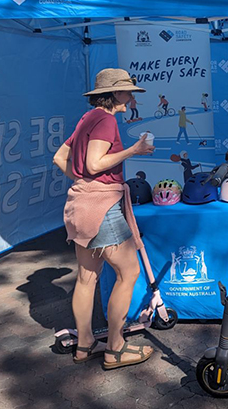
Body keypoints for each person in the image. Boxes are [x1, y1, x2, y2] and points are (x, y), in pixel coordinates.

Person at [52, 68, 156, 369]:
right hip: (101, 208)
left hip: (80, 205)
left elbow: (60, 157)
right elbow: (95, 163)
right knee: (129, 273)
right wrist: (134, 150)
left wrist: (83, 182)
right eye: (127, 90)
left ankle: (85, 345)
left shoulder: (88, 118)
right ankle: (116, 348)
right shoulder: (106, 120)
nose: (131, 95)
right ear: (114, 94)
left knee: (86, 278)